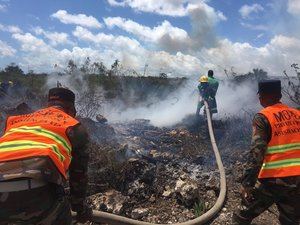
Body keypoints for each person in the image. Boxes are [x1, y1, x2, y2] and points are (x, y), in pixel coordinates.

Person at [0, 87, 92, 225]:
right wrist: (80, 209)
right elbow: (78, 175)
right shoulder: (74, 126)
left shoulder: (14, 120)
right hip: (38, 192)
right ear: (71, 109)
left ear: (47, 105)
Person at [232, 80, 300, 225]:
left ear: (262, 96)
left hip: (274, 179)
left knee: (242, 215)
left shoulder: (263, 117)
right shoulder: (297, 114)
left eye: (259, 95)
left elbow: (257, 152)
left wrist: (247, 184)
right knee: (291, 220)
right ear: (280, 95)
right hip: (298, 179)